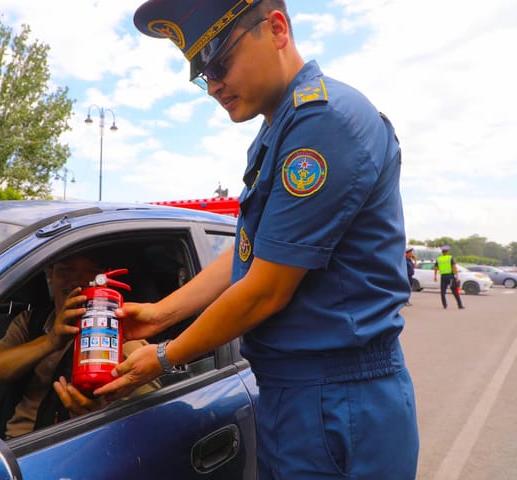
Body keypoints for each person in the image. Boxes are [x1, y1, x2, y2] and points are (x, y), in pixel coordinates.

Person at [95, 1, 419, 479]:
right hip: (299, 392)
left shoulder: (324, 121)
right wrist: (161, 313)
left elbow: (267, 287)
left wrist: (163, 357)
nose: (213, 86)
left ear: (277, 28)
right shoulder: (278, 129)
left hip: (340, 397)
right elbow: (252, 255)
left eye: (220, 63)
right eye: (202, 75)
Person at [0, 253, 150, 438]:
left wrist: (103, 415)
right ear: (50, 274)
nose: (77, 280)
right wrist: (51, 340)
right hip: (13, 446)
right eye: (67, 270)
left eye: (91, 272)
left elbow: (152, 415)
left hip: (71, 449)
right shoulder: (31, 322)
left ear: (104, 279)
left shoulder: (118, 339)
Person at [433, 245, 464, 309]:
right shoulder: (450, 258)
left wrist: (435, 276)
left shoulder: (439, 259)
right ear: (447, 252)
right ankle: (460, 305)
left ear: (442, 252)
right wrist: (457, 276)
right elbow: (454, 267)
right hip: (450, 276)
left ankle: (445, 305)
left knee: (443, 292)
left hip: (443, 277)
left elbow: (435, 268)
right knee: (455, 291)